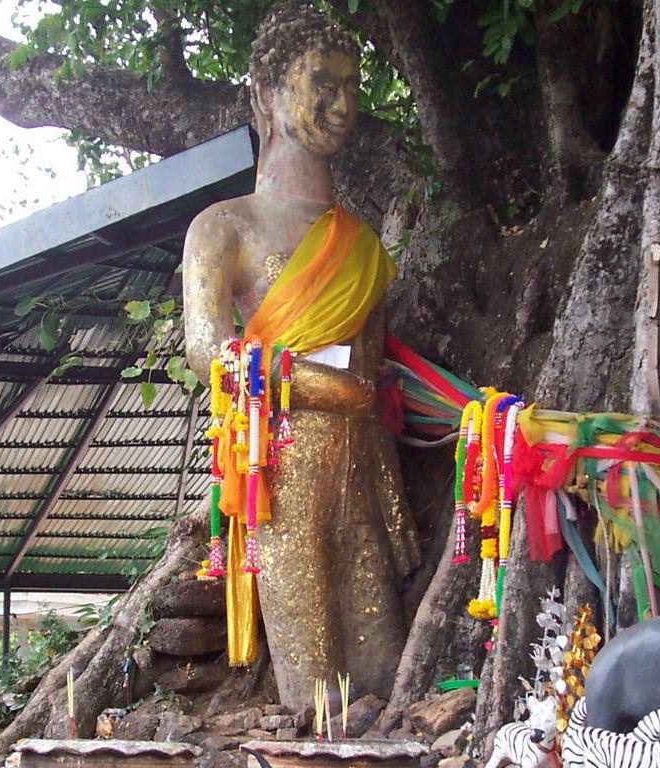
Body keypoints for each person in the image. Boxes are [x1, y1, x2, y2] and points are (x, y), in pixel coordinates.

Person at [183, 1, 418, 710]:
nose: (342, 104)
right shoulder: (225, 227)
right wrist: (316, 384)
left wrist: (393, 498)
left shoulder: (363, 243)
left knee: (382, 666)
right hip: (275, 468)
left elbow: (371, 380)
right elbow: (207, 350)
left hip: (358, 465)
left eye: (351, 86)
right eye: (322, 83)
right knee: (314, 681)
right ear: (265, 92)